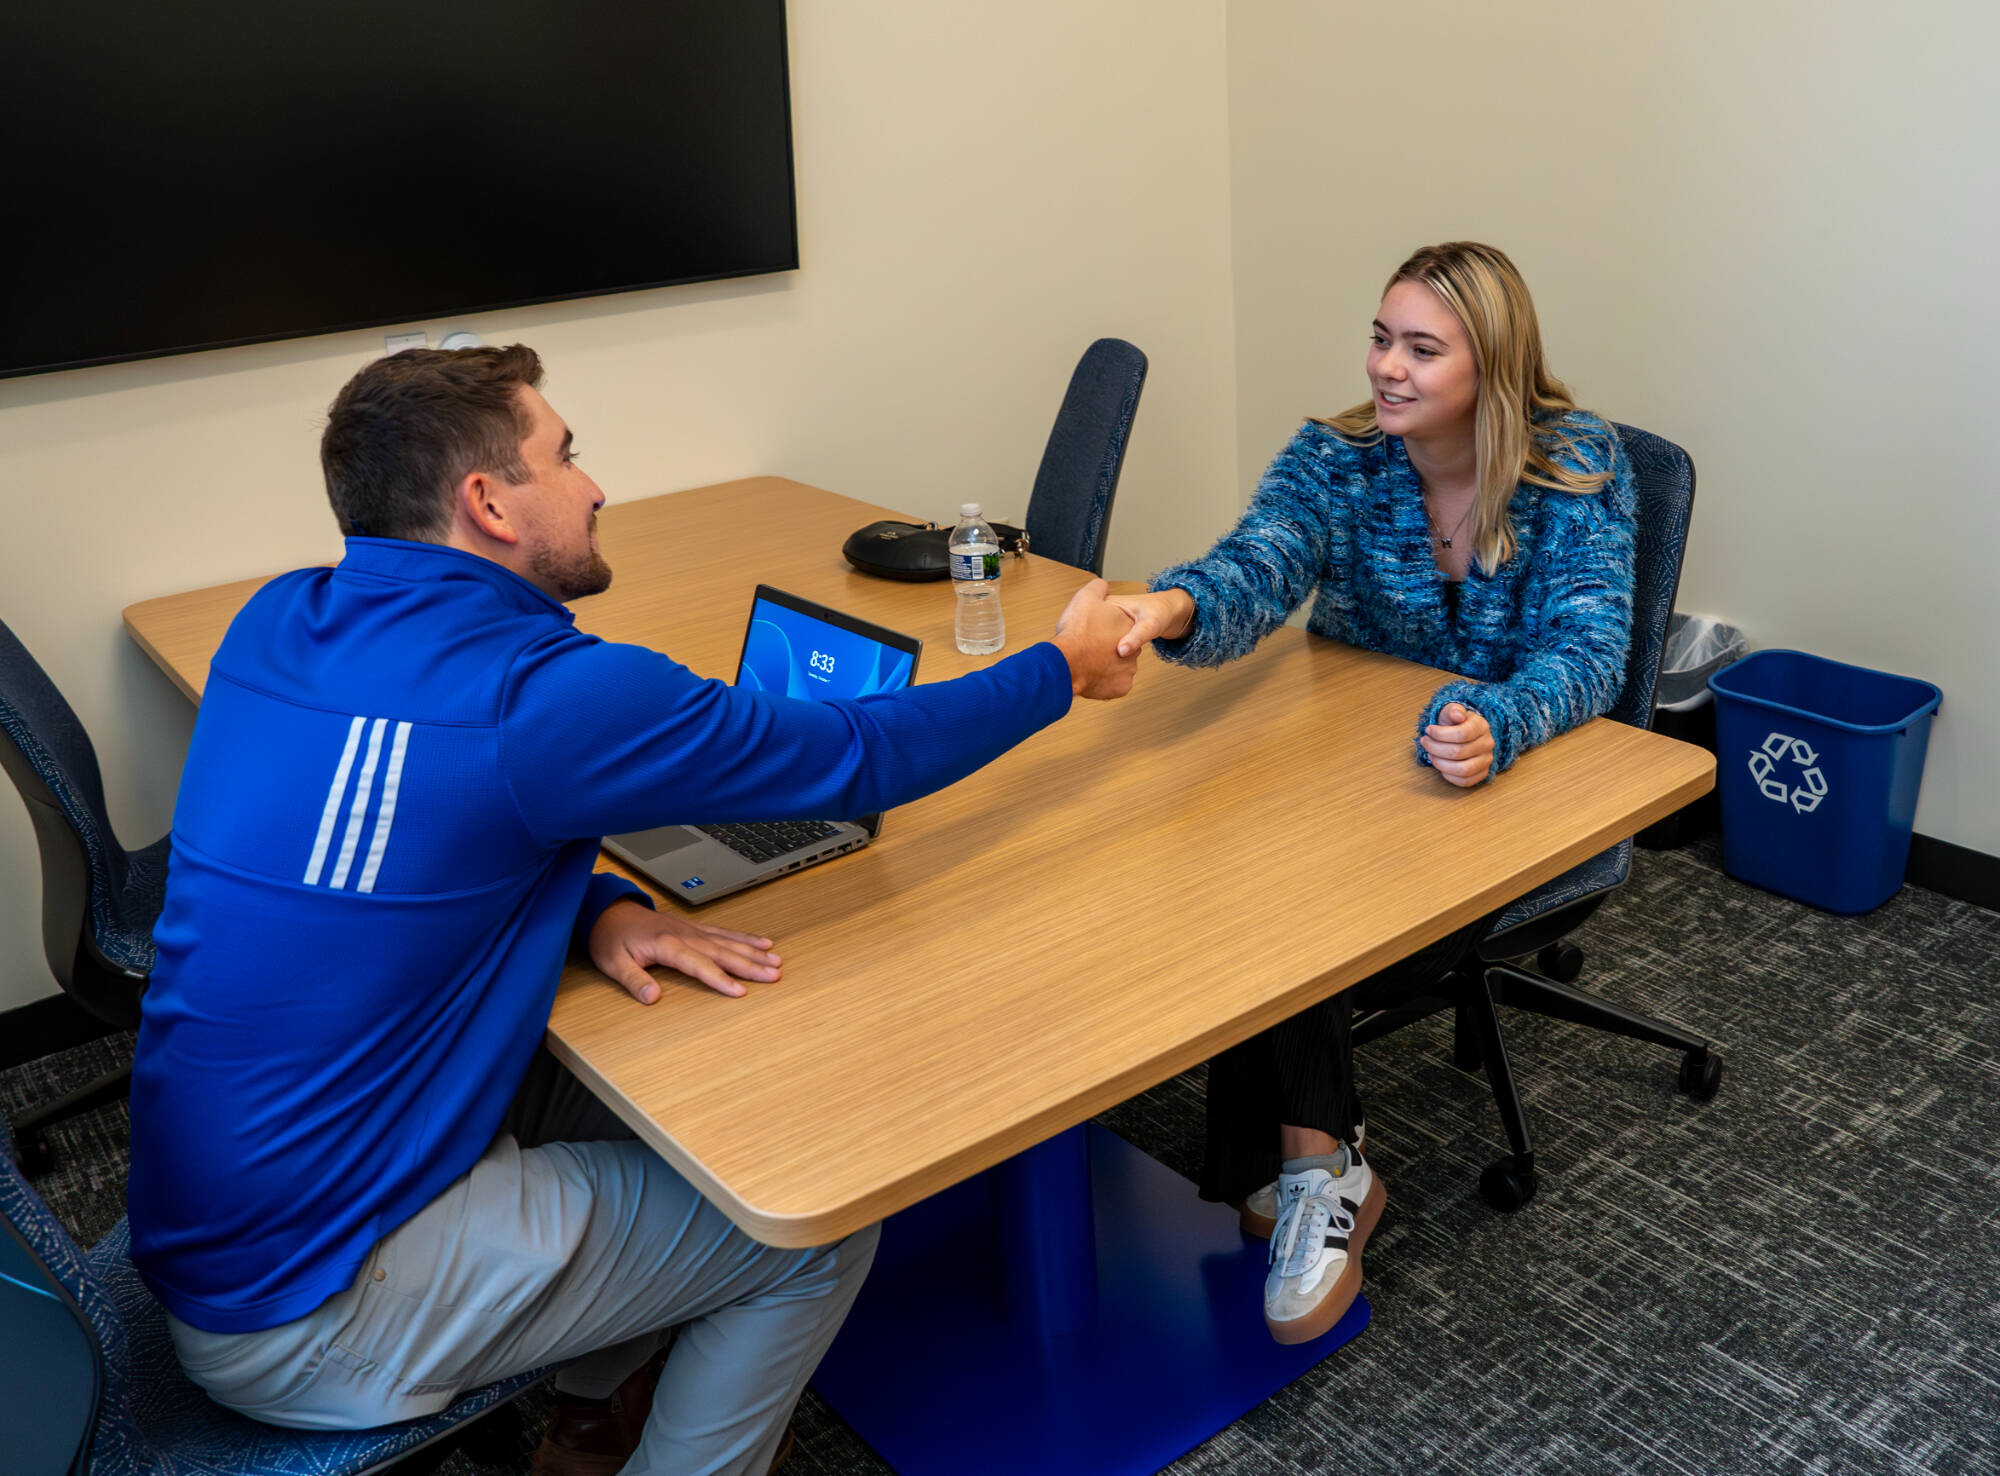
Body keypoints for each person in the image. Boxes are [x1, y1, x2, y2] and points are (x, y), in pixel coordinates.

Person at [125, 345, 1140, 1476]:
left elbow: (417, 841)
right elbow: (858, 753)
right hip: (312, 1306)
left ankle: (587, 1418)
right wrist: (1060, 668)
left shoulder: (279, 619)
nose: (595, 486)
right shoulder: (543, 700)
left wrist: (600, 901)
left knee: (669, 1077)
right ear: (489, 502)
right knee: (804, 1235)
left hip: (213, 1215)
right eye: (566, 455)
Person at [1110, 241, 1636, 1346]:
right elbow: (1254, 567)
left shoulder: (1572, 465)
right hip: (1366, 775)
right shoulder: (1336, 457)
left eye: (1420, 349)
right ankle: (1312, 1161)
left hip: (1515, 786)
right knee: (1235, 844)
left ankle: (1308, 1176)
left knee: (1290, 896)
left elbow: (1591, 652)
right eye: (1379, 338)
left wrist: (1500, 718)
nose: (1386, 369)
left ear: (1491, 366)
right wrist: (1161, 611)